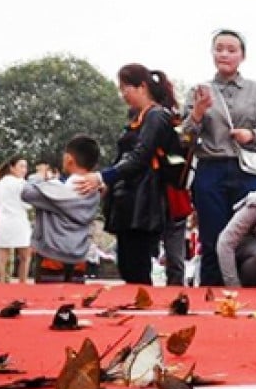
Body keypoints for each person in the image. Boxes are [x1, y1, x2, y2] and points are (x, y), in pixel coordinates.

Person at [183, 30, 256, 286]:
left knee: (245, 234)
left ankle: (243, 290)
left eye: (231, 50)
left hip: (246, 170)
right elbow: (184, 137)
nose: (224, 54)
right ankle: (211, 292)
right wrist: (197, 113)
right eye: (219, 49)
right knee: (212, 238)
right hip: (210, 168)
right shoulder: (198, 91)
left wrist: (252, 135)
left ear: (242, 56)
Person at [76, 64, 180, 285]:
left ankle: (143, 302)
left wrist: (103, 177)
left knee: (137, 266)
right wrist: (107, 183)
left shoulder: (157, 116)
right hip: (128, 199)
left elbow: (140, 156)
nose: (123, 94)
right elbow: (124, 157)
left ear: (142, 87)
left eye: (126, 88)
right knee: (126, 264)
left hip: (144, 200)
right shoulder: (139, 118)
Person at [20, 135, 101, 283]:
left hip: (52, 256)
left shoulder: (56, 191)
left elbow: (26, 192)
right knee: (74, 296)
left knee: (48, 297)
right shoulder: (94, 193)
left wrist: (38, 176)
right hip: (79, 257)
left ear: (69, 159)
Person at [0, 155, 32, 283]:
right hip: (20, 222)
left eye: (25, 167)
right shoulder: (22, 184)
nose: (24, 170)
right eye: (21, 166)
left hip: (4, 222)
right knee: (25, 257)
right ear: (12, 168)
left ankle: (0, 283)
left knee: (2, 258)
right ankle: (22, 284)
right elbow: (28, 205)